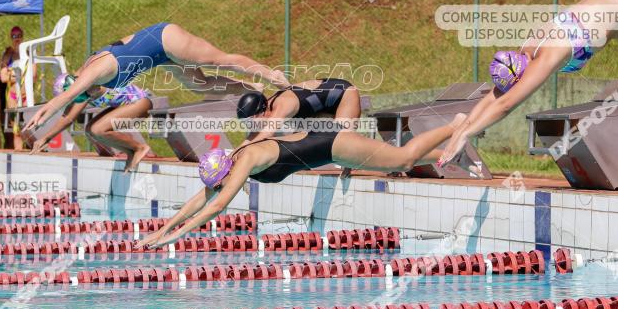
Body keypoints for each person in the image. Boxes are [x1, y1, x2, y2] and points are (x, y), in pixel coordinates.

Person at [438, 0, 618, 167]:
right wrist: (463, 125)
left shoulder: (547, 54)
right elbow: (497, 95)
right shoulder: (525, 52)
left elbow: (506, 104)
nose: (524, 84)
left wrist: (467, 134)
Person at [137, 114, 473, 248]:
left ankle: (458, 125)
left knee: (403, 160)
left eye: (221, 182)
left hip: (330, 143)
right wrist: (161, 229)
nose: (220, 187)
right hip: (325, 149)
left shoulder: (246, 160)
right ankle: (449, 153)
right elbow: (203, 198)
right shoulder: (227, 165)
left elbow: (220, 204)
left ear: (226, 172)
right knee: (397, 163)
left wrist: (175, 238)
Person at [23, 22, 290, 134]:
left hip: (166, 40)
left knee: (220, 60)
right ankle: (250, 87)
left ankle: (270, 74)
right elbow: (74, 96)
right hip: (162, 56)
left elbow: (68, 97)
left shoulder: (95, 71)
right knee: (201, 84)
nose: (94, 97)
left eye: (89, 96)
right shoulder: (91, 75)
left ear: (84, 87)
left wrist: (44, 115)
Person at [27, 75, 153, 171]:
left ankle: (139, 147)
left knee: (98, 129)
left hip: (139, 103)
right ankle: (131, 151)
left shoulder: (85, 88)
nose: (70, 100)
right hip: (128, 104)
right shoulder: (81, 84)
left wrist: (45, 138)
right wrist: (45, 138)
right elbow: (66, 115)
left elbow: (68, 118)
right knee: (90, 130)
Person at [0, 26, 24, 149]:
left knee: (28, 130)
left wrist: (12, 75)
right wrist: (21, 76)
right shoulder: (7, 55)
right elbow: (3, 77)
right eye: (14, 36)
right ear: (11, 38)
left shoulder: (28, 53)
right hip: (13, 96)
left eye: (19, 35)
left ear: (23, 37)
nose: (17, 38)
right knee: (16, 131)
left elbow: (33, 76)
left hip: (25, 96)